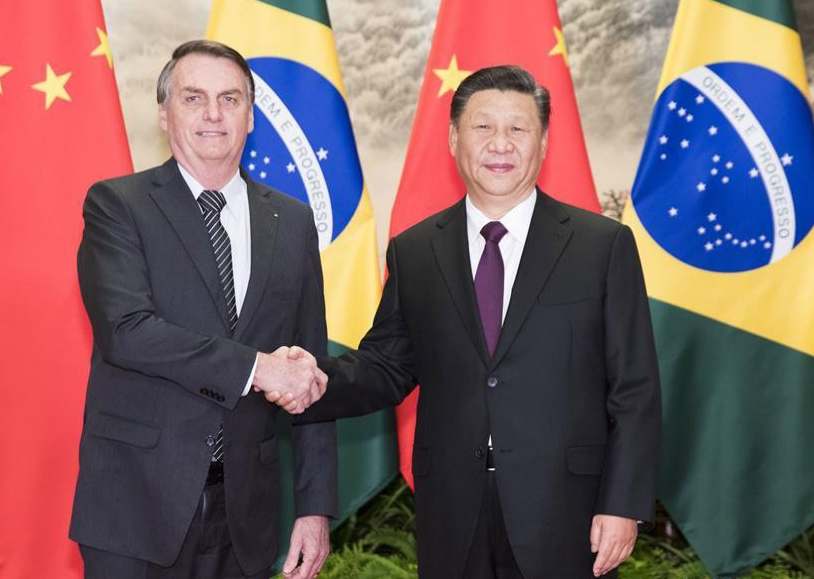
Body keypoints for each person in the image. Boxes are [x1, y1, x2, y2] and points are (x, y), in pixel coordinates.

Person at [280, 65, 662, 578]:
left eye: (518, 129)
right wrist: (314, 378)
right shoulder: (415, 251)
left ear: (544, 142)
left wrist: (623, 504)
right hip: (452, 513)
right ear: (454, 138)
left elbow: (635, 389)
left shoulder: (601, 246)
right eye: (483, 127)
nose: (500, 144)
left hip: (567, 512)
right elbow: (387, 366)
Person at [69, 40, 336, 579]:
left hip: (248, 512)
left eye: (230, 99)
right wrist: (259, 368)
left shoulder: (294, 223)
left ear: (251, 116)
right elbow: (128, 332)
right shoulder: (118, 205)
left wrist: (314, 506)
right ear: (165, 115)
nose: (213, 114)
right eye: (194, 98)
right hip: (135, 508)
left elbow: (308, 368)